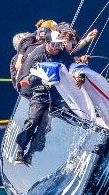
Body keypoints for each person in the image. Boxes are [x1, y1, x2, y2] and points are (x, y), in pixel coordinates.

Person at [14, 31, 72, 166]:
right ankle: (20, 149)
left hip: (57, 96)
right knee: (32, 120)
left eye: (59, 44)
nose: (56, 48)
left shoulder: (64, 56)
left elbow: (73, 68)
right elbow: (26, 77)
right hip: (40, 93)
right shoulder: (37, 54)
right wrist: (40, 77)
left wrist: (79, 75)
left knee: (44, 128)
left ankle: (31, 154)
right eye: (53, 44)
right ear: (47, 43)